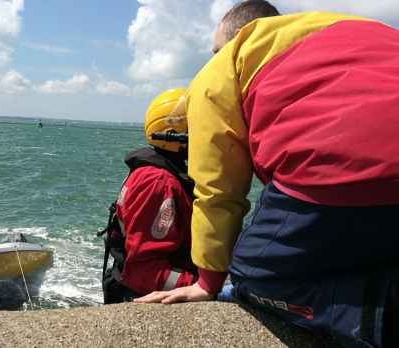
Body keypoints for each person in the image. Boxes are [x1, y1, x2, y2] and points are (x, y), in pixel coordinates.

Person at [135, 1, 399, 346]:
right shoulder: (364, 30)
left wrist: (208, 284)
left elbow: (218, 191)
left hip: (339, 172)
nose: (215, 57)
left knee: (251, 280)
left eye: (216, 49)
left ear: (239, 37)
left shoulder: (228, 63)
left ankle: (380, 310)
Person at [100, 89, 225, 304]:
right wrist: (212, 290)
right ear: (179, 137)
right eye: (204, 128)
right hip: (145, 299)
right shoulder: (159, 183)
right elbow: (143, 270)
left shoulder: (168, 175)